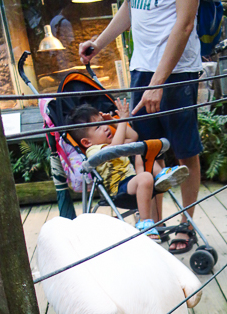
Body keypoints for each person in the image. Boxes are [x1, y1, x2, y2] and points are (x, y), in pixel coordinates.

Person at [78, 0, 204, 254]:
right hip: (141, 67)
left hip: (178, 70)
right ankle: (153, 225)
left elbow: (185, 23)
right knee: (145, 150)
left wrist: (159, 81)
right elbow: (131, 5)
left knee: (184, 151)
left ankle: (186, 224)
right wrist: (99, 43)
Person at [67, 99, 188, 241]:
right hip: (119, 189)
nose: (105, 127)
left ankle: (161, 174)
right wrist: (123, 120)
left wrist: (114, 121)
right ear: (87, 142)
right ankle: (145, 222)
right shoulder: (93, 151)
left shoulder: (111, 144)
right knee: (145, 177)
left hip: (132, 182)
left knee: (140, 150)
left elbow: (133, 137)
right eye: (98, 127)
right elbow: (115, 148)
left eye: (103, 122)